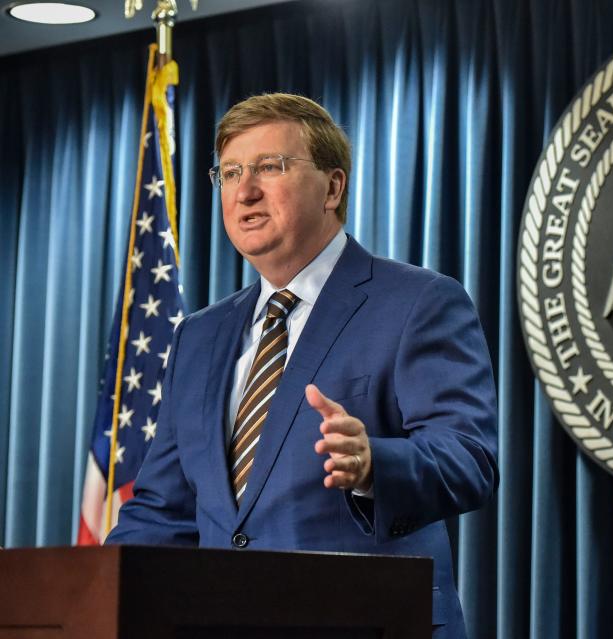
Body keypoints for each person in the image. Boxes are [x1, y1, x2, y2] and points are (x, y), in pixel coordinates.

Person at [106, 93, 499, 638]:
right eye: (231, 172)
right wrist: (93, 596)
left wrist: (372, 464)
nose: (245, 191)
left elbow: (469, 459)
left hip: (367, 623)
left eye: (271, 166)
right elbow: (161, 512)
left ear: (333, 187)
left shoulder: (420, 303)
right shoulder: (198, 336)